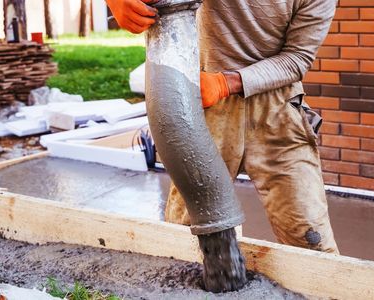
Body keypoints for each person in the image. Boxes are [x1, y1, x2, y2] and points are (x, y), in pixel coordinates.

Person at [106, 0, 339, 254]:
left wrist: (226, 84)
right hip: (204, 105)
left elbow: (297, 58)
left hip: (277, 110)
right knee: (186, 235)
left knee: (310, 237)